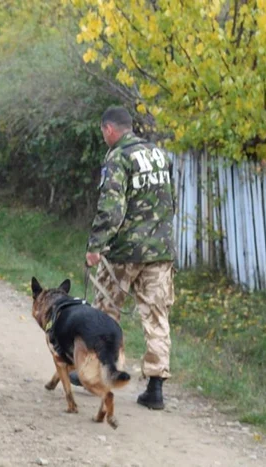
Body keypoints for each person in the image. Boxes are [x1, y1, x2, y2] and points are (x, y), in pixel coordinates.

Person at [74, 105, 176, 411]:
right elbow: (169, 200)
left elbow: (112, 208)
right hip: (159, 251)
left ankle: (97, 373)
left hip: (124, 252)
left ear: (109, 129)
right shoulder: (158, 154)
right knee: (156, 315)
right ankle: (155, 388)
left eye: (103, 133)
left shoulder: (118, 157)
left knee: (106, 312)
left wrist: (95, 246)